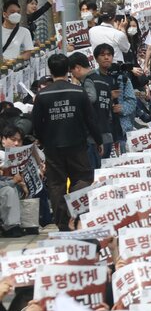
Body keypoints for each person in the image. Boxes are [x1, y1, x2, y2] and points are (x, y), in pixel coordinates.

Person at [29, 53, 100, 231]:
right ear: (68, 69)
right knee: (81, 180)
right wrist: (98, 140)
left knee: (56, 185)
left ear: (50, 70)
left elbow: (36, 124)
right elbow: (91, 120)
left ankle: (62, 224)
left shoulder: (42, 95)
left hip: (53, 148)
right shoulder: (79, 92)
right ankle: (78, 219)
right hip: (78, 145)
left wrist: (44, 141)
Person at [71, 49, 114, 165]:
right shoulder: (103, 81)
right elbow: (109, 111)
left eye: (72, 72)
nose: (72, 75)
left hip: (93, 139)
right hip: (107, 134)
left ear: (77, 68)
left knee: (93, 173)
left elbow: (91, 98)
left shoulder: (88, 81)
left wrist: (75, 91)